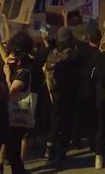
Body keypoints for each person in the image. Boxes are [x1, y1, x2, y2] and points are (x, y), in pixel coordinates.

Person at [43, 27, 79, 164]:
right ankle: (62, 151)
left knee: (55, 120)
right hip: (67, 93)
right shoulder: (71, 54)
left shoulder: (52, 53)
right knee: (65, 122)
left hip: (53, 91)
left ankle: (49, 149)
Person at [3, 50, 33, 174]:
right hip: (12, 113)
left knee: (13, 146)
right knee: (11, 147)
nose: (7, 61)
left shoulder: (23, 73)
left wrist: (7, 76)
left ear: (18, 61)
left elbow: (12, 91)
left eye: (10, 59)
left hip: (18, 112)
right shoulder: (17, 72)